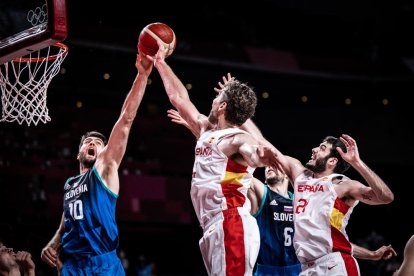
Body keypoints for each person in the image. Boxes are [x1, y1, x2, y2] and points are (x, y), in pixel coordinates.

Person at [149, 43, 278, 275]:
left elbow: (251, 151)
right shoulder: (206, 130)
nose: (212, 100)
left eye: (217, 97)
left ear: (222, 106)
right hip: (212, 225)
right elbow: (178, 97)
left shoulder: (237, 138)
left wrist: (259, 156)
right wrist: (159, 62)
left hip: (231, 223)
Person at [40, 53, 153, 275]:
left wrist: (142, 75)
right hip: (72, 264)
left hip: (102, 263)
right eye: (87, 142)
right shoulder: (70, 184)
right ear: (78, 153)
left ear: (104, 152)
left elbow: (126, 119)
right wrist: (54, 242)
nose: (92, 144)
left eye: (98, 143)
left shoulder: (106, 167)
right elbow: (68, 216)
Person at [246, 132, 395, 275]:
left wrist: (357, 163)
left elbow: (386, 197)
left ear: (332, 161)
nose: (314, 149)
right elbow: (266, 146)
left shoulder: (343, 185)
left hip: (334, 265)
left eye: (322, 148)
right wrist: (239, 118)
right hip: (306, 268)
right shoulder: (300, 176)